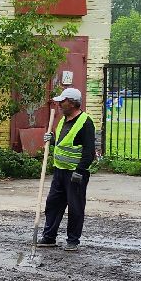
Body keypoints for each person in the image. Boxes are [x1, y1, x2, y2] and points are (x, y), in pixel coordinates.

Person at [37, 86, 96, 250]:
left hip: (75, 174)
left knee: (75, 207)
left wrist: (80, 171)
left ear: (71, 103)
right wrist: (52, 140)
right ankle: (49, 237)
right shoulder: (63, 120)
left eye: (62, 102)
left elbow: (89, 151)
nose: (59, 105)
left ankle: (72, 241)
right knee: (53, 204)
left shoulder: (86, 123)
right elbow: (64, 145)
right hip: (59, 171)